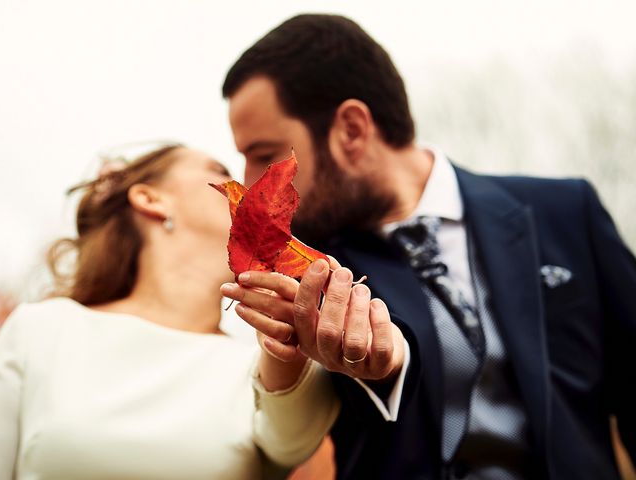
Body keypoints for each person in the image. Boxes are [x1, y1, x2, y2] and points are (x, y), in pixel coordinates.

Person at [219, 14, 636, 479]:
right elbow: (284, 435)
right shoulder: (309, 266)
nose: (251, 180)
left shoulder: (564, 211)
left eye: (263, 152)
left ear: (352, 129)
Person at [0, 143, 339, 479]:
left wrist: (283, 349)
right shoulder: (42, 329)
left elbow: (291, 444)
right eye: (220, 171)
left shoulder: (262, 363)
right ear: (150, 199)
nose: (249, 191)